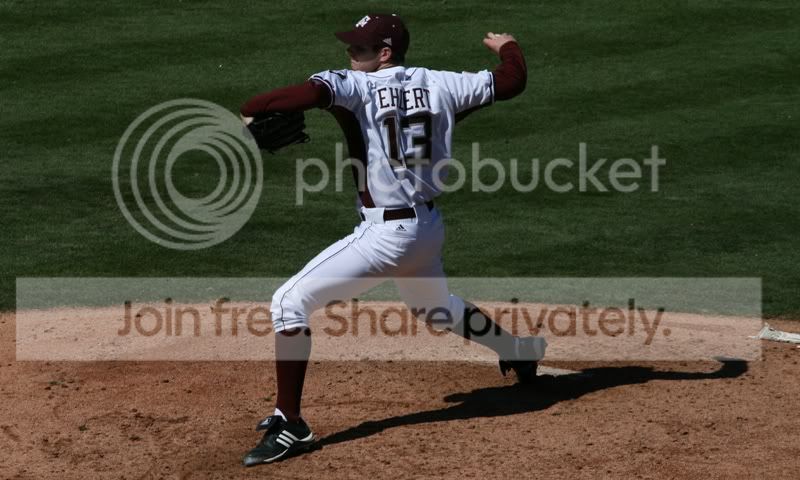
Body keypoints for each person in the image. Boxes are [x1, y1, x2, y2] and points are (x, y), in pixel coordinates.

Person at [239, 13, 546, 466]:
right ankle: (517, 351)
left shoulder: (355, 86)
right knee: (435, 309)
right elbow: (512, 81)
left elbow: (305, 95)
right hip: (426, 230)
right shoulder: (443, 84)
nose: (350, 53)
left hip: (386, 236)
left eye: (360, 48)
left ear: (384, 53)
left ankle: (290, 424)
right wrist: (508, 46)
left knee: (288, 302)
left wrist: (250, 107)